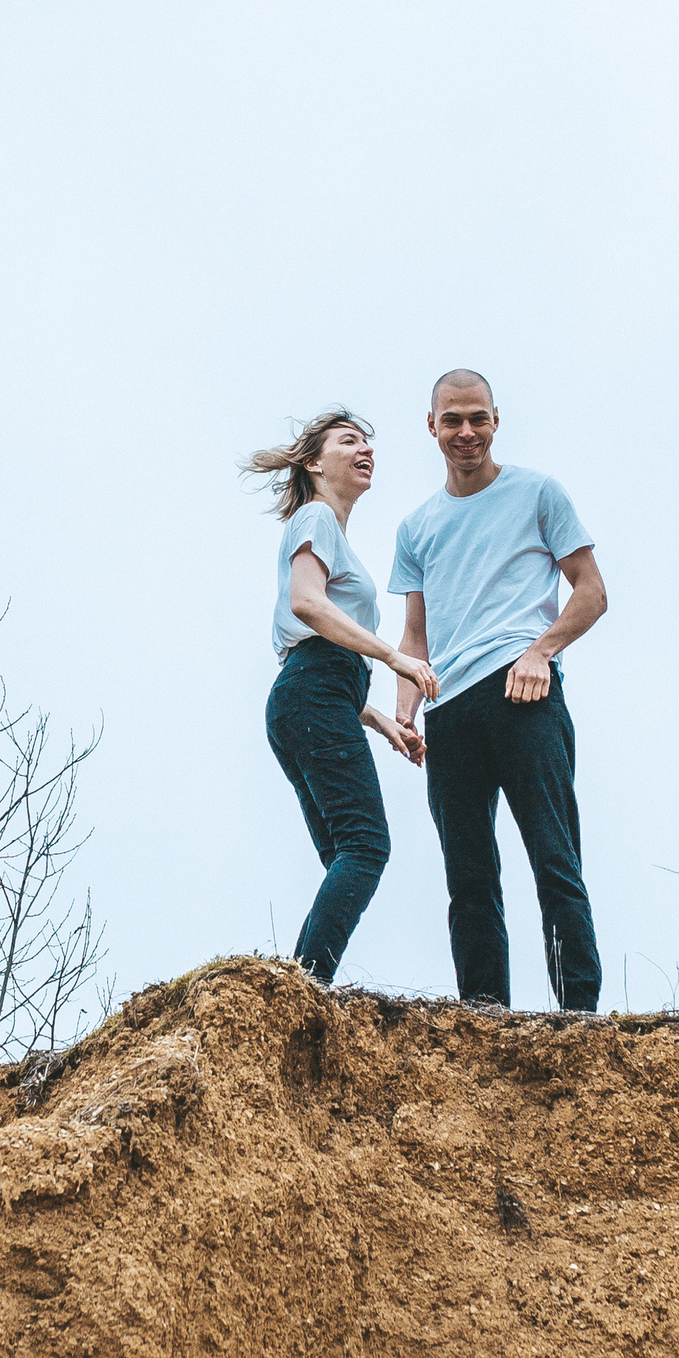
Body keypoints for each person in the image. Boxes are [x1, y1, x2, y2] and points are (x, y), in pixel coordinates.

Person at [388, 368, 607, 1011]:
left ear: (495, 420)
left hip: (523, 691)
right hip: (449, 710)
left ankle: (581, 1019)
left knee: (553, 857)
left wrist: (542, 651)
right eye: (452, 420)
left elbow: (591, 593)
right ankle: (483, 1023)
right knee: (469, 879)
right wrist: (405, 711)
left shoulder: (538, 493)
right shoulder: (416, 527)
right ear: (432, 427)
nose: (466, 432)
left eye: (477, 418)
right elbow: (415, 635)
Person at [246, 409, 439, 985]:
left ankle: (300, 984)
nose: (366, 451)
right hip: (312, 691)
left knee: (345, 855)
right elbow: (308, 605)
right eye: (349, 441)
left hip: (306, 697)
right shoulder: (317, 516)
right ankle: (303, 986)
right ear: (313, 462)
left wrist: (381, 722)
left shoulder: (330, 531)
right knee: (365, 846)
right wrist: (394, 656)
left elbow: (322, 656)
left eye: (369, 444)